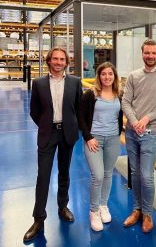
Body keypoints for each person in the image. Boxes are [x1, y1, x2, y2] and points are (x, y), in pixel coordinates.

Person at [24, 47, 82, 242]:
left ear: (66, 62)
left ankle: (62, 206)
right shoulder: (39, 83)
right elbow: (34, 111)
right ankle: (38, 219)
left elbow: (79, 108)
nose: (58, 62)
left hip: (67, 134)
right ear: (49, 61)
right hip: (48, 134)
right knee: (43, 176)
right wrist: (45, 125)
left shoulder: (75, 82)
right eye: (55, 59)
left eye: (62, 59)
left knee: (64, 172)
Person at [121, 39, 156, 233]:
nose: (150, 56)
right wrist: (134, 121)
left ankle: (148, 214)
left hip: (151, 133)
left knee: (146, 175)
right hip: (132, 132)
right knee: (135, 174)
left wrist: (146, 118)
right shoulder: (133, 76)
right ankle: (137, 210)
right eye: (147, 53)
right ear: (142, 54)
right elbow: (126, 102)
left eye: (154, 53)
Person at [78, 62, 123, 231]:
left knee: (107, 174)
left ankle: (103, 205)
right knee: (97, 176)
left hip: (113, 139)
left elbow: (119, 117)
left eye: (110, 74)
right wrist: (88, 137)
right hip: (94, 139)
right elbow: (81, 117)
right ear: (99, 76)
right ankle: (94, 210)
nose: (107, 77)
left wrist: (118, 135)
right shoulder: (91, 94)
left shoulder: (119, 94)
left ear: (114, 76)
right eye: (103, 74)